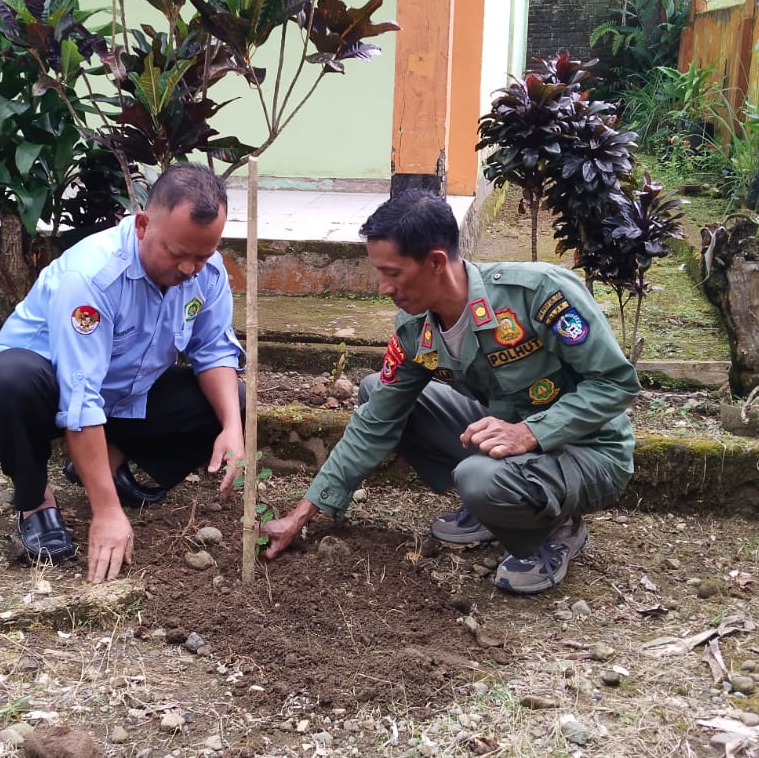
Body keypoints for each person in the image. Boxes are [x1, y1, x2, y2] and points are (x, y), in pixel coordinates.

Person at [261, 190, 640, 594]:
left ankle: (555, 531)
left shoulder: (537, 294)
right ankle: (497, 510)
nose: (383, 287)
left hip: (588, 450)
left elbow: (615, 383)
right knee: (376, 392)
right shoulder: (414, 331)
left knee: (476, 478)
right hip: (507, 444)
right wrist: (302, 513)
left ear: (436, 262)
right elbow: (375, 422)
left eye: (392, 272)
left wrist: (529, 434)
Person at [0, 163, 245, 584]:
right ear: (141, 225)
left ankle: (101, 464)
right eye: (178, 254)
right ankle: (36, 502)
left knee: (231, 401)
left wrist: (232, 427)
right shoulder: (92, 276)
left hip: (124, 396)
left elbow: (212, 350)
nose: (191, 268)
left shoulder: (206, 274)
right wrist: (106, 513)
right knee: (9, 380)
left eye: (202, 255)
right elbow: (79, 396)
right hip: (48, 392)